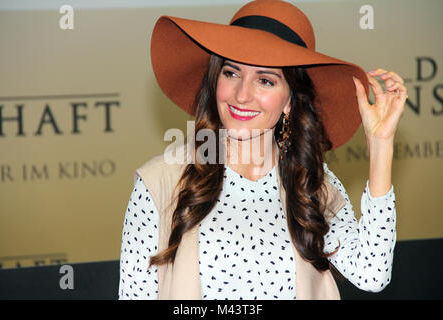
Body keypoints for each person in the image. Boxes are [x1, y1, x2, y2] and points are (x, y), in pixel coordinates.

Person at [118, 0, 407, 300]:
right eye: (231, 73)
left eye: (265, 80)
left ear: (289, 101)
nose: (242, 95)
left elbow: (372, 273)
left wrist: (381, 144)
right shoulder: (159, 183)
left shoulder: (312, 185)